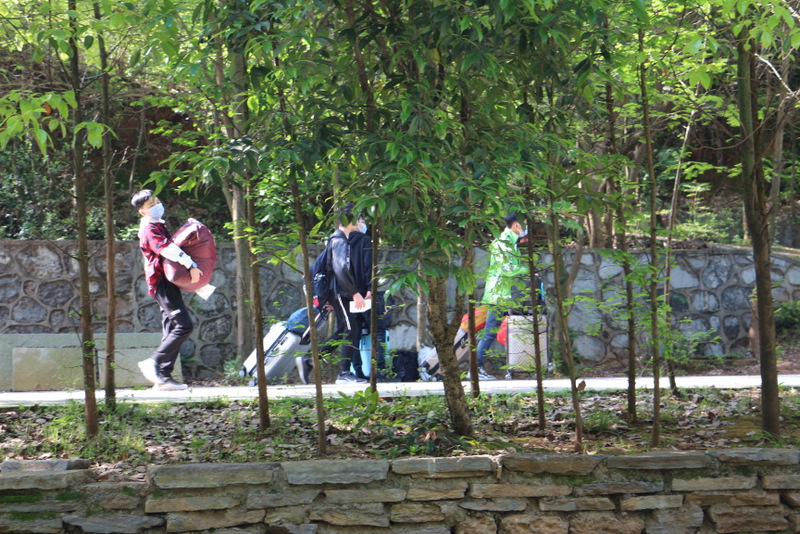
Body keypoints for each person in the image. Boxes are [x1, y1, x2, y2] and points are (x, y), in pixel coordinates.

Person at [131, 190, 201, 391]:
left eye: (158, 201)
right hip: (161, 282)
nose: (157, 206)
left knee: (171, 328)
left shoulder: (157, 225)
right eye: (151, 205)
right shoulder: (149, 228)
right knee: (184, 326)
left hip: (167, 281)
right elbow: (166, 249)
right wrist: (190, 264)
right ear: (142, 212)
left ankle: (163, 378)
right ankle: (153, 362)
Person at [475, 213, 530, 380]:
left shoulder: (511, 243)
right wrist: (526, 270)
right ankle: (475, 368)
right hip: (499, 295)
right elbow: (507, 270)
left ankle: (515, 369)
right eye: (524, 224)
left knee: (511, 331)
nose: (526, 227)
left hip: (506, 295)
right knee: (490, 333)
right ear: (516, 225)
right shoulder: (502, 244)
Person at [329, 203, 370, 384]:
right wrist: (357, 292)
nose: (362, 223)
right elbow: (340, 269)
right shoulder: (340, 240)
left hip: (342, 292)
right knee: (351, 330)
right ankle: (344, 372)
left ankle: (311, 361)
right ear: (352, 221)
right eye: (360, 220)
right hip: (345, 292)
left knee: (349, 330)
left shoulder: (337, 239)